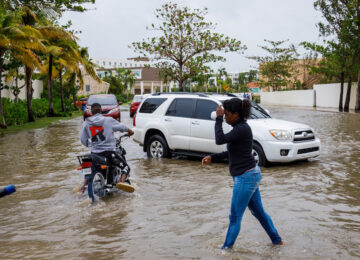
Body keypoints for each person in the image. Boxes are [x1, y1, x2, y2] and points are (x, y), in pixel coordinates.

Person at [201, 98, 283, 250]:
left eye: (226, 114)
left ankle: (226, 251)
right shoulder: (239, 128)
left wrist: (218, 118)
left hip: (246, 177)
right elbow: (231, 152)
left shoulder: (242, 129)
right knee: (259, 213)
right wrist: (213, 157)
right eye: (223, 115)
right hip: (250, 175)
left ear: (236, 114)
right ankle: (277, 242)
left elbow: (219, 139)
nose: (224, 118)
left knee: (234, 218)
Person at [78, 103, 134, 193]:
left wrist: (92, 144)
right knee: (126, 167)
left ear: (91, 112)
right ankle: (121, 182)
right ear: (101, 111)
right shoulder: (108, 120)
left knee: (91, 169)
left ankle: (83, 187)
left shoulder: (86, 123)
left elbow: (83, 140)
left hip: (95, 154)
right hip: (109, 153)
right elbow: (121, 127)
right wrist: (130, 131)